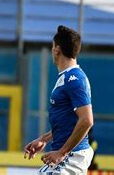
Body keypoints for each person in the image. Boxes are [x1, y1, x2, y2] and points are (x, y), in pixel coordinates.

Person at [24, 25, 94, 174]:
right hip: (67, 155)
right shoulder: (66, 77)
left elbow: (87, 120)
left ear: (57, 50)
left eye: (53, 46)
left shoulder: (74, 79)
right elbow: (68, 123)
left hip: (73, 155)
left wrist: (62, 152)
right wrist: (44, 139)